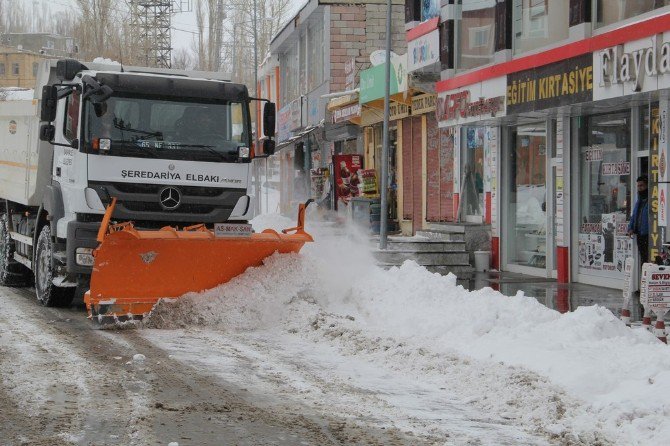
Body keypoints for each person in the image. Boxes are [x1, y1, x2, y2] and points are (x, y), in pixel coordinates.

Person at [627, 175, 649, 265]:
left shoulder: (651, 200)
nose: (639, 188)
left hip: (649, 234)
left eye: (642, 186)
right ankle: (643, 278)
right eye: (638, 186)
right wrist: (630, 228)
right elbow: (634, 215)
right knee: (643, 259)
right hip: (640, 234)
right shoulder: (639, 200)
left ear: (647, 186)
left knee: (649, 258)